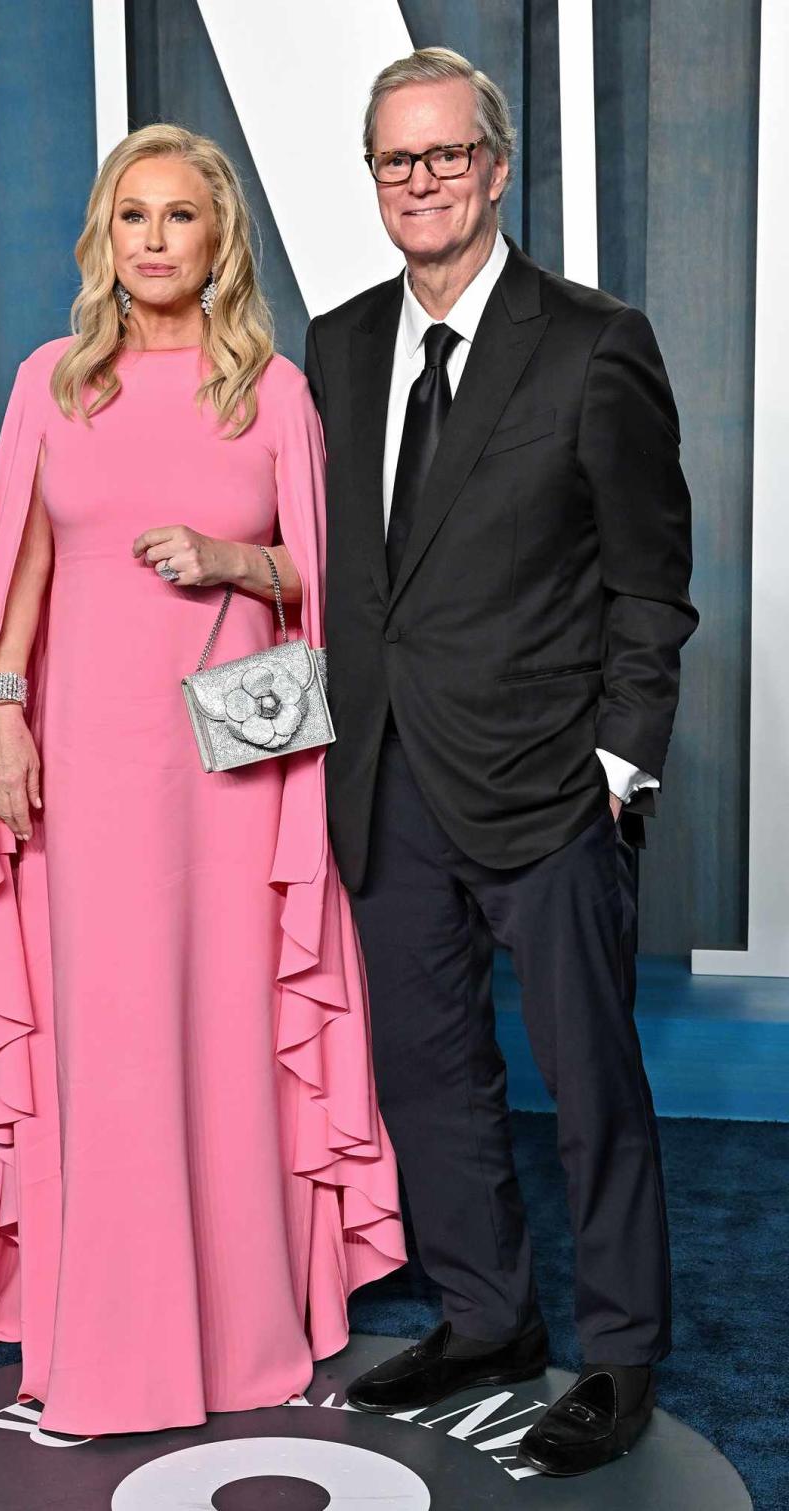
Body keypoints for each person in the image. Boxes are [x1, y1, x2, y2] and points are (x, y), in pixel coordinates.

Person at [0, 124, 404, 1437]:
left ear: (219, 244)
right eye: (132, 215)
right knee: (111, 1031)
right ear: (106, 238)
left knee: (225, 1018)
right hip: (85, 753)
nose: (154, 238)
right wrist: (5, 718)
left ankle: (245, 1315)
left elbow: (332, 586)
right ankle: (112, 1322)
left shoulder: (268, 390)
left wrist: (231, 559)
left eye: (180, 217)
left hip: (235, 759)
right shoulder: (53, 382)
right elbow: (19, 572)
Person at [303, 48, 698, 1477]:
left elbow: (654, 582)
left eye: (443, 155)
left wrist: (621, 761)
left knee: (592, 1080)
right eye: (394, 161)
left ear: (494, 166)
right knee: (429, 1071)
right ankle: (486, 1319)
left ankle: (618, 1352)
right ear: (378, 179)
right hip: (389, 776)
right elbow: (342, 569)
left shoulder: (596, 341)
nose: (420, 183)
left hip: (547, 783)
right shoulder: (337, 344)